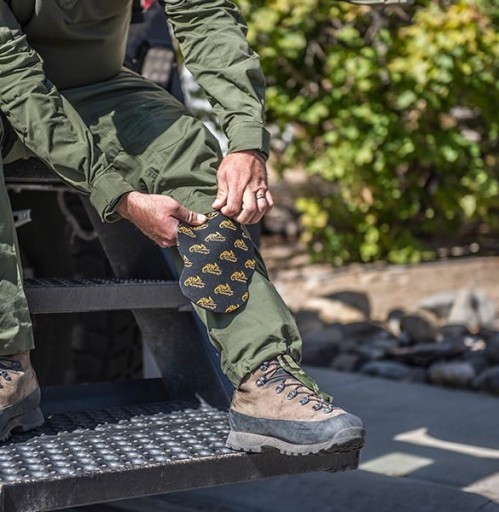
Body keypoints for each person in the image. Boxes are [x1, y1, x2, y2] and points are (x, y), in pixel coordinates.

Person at [0, 0, 365, 454]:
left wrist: (247, 142)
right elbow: (15, 79)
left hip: (97, 89)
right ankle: (8, 366)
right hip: (9, 90)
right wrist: (116, 193)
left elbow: (204, 17)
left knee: (185, 149)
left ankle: (265, 374)